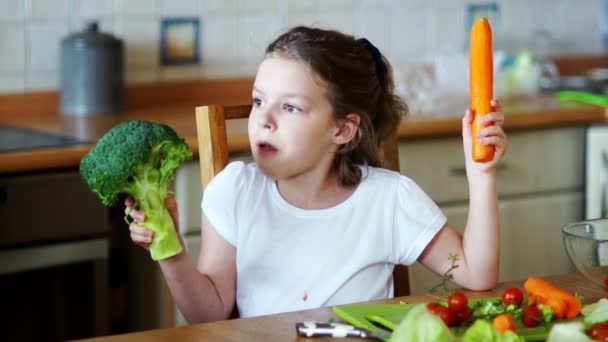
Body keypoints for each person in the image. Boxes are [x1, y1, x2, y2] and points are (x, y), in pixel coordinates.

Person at [126, 26, 507, 323]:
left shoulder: (389, 200)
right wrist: (172, 254)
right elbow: (208, 315)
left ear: (342, 130)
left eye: (290, 108)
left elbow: (476, 274)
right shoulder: (236, 191)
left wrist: (482, 174)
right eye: (260, 101)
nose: (264, 120)